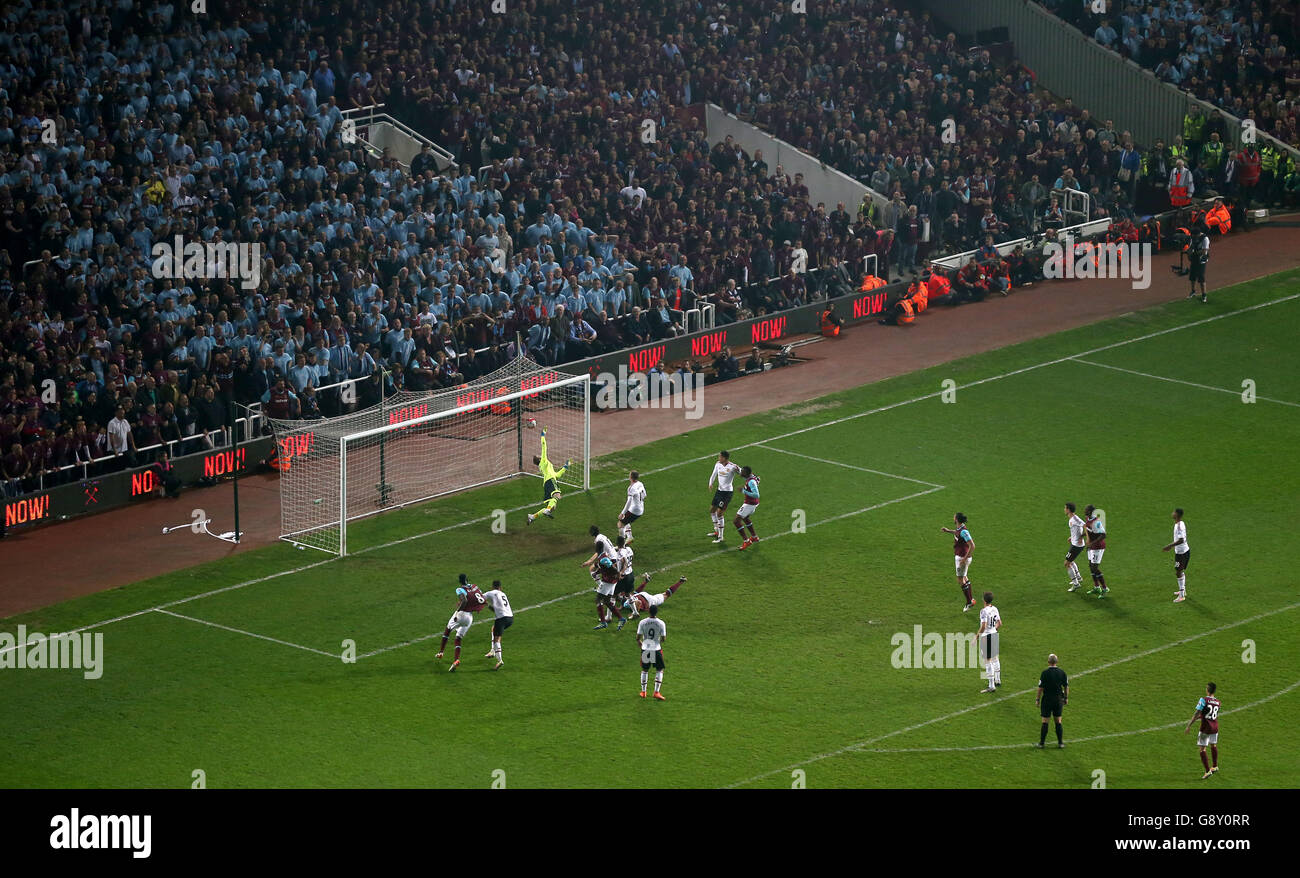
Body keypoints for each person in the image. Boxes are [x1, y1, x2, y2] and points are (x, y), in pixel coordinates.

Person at [435, 574, 486, 671]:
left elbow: (465, 600)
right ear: (467, 579)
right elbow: (479, 598)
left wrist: (458, 612)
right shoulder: (475, 586)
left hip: (462, 614)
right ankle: (456, 660)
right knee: (458, 638)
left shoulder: (459, 589)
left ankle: (441, 652)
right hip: (469, 618)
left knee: (448, 630)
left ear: (459, 581)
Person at [525, 427, 570, 524]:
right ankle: (547, 510)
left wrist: (565, 467)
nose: (540, 455)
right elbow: (544, 446)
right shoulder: (544, 461)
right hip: (550, 481)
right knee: (557, 495)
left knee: (553, 507)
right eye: (539, 455)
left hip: (547, 483)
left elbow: (556, 475)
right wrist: (543, 435)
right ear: (539, 458)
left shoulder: (544, 467)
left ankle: (532, 516)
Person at [1184, 682, 1221, 779]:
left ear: (1208, 690)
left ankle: (1207, 771)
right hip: (1215, 727)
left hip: (1206, 728)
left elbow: (1197, 713)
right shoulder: (1218, 702)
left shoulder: (1203, 699)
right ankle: (1215, 766)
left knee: (1202, 749)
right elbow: (1210, 713)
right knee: (1213, 745)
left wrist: (1189, 725)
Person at [941, 513, 976, 611]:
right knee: (964, 577)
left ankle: (969, 602)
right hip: (962, 558)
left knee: (960, 580)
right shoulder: (959, 529)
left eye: (954, 516)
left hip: (962, 558)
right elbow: (957, 533)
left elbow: (972, 545)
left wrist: (964, 559)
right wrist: (948, 531)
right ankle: (971, 600)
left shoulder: (964, 531)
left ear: (956, 519)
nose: (953, 517)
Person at [707, 450, 742, 544]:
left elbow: (743, 473)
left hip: (727, 493)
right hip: (719, 491)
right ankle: (716, 531)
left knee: (719, 513)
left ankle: (721, 537)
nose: (718, 458)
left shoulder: (733, 467)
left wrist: (752, 479)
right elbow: (714, 474)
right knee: (712, 510)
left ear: (724, 458)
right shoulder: (718, 464)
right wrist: (710, 483)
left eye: (720, 456)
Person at [1036, 654, 1069, 749]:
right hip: (1058, 700)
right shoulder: (1062, 672)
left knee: (1045, 721)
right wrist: (1066, 698)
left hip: (1047, 699)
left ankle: (1042, 743)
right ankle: (1060, 743)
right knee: (1058, 721)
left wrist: (1037, 699)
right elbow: (1066, 687)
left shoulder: (1044, 673)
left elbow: (1040, 688)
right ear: (1057, 662)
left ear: (1048, 662)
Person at [636, 604, 668, 701]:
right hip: (656, 649)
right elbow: (663, 638)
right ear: (656, 612)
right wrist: (658, 641)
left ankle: (643, 692)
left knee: (645, 670)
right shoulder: (661, 623)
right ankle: (656, 692)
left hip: (646, 648)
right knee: (659, 669)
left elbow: (638, 637)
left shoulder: (643, 622)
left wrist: (640, 642)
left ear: (648, 611)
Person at [481, 580, 513, 670]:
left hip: (501, 619)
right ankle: (492, 651)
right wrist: (488, 606)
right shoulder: (503, 594)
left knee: (496, 640)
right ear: (500, 587)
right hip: (510, 618)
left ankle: (499, 660)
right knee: (494, 629)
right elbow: (496, 609)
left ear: (492, 587)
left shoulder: (490, 593)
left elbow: (479, 597)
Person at [590, 556, 627, 631]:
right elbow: (600, 568)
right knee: (607, 601)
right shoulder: (610, 567)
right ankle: (621, 618)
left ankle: (603, 622)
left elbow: (601, 569)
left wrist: (595, 572)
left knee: (598, 600)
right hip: (613, 584)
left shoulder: (608, 569)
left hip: (607, 584)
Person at [1162, 508, 1191, 602]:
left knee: (1178, 572)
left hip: (1181, 553)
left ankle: (1182, 595)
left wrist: (1169, 546)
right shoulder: (1180, 523)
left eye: (1174, 512)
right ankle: (1183, 591)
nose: (1172, 513)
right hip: (1184, 551)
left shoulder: (1179, 526)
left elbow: (1181, 540)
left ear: (1177, 514)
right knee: (1180, 571)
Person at [977, 591, 1002, 693]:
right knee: (995, 658)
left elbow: (983, 626)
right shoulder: (995, 609)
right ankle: (998, 680)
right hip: (994, 634)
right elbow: (1000, 623)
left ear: (983, 600)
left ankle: (991, 686)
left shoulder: (983, 611)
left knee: (988, 661)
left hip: (986, 637)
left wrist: (977, 636)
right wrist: (993, 629)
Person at [734, 465, 761, 549]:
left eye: (742, 471)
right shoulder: (751, 477)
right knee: (745, 518)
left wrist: (743, 491)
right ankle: (754, 537)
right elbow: (758, 478)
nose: (740, 472)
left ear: (746, 473)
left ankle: (746, 541)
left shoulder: (751, 482)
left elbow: (757, 494)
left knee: (736, 521)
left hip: (750, 504)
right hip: (753, 503)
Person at [1084, 505, 1108, 597]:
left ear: (1090, 512)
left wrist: (1092, 543)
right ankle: (1097, 587)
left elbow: (1103, 535)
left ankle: (1105, 588)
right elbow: (1089, 531)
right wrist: (1080, 536)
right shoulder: (1088, 519)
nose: (1084, 511)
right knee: (1091, 566)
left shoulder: (1096, 522)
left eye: (1086, 510)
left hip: (1098, 547)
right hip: (1092, 547)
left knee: (1094, 567)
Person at [1064, 502, 1087, 591]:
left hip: (1076, 545)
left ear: (1068, 510)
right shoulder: (1072, 519)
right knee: (1071, 561)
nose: (1064, 510)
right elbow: (1078, 529)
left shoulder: (1074, 519)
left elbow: (1085, 525)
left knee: (1067, 563)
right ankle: (1079, 577)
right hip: (1076, 543)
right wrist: (1072, 537)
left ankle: (1076, 584)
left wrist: (1081, 536)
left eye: (1065, 508)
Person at [618, 470, 645, 543]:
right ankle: (629, 537)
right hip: (641, 508)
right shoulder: (640, 484)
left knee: (620, 524)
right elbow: (645, 495)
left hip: (635, 510)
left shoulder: (631, 488)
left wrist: (622, 513)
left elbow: (629, 502)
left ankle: (621, 544)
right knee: (626, 520)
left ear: (630, 477)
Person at [1186, 223, 1210, 303]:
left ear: (1198, 234)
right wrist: (1189, 253)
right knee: (1192, 276)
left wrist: (1193, 253)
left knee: (1201, 277)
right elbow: (1190, 246)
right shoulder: (1193, 237)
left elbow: (1204, 251)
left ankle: (1204, 295)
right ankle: (1193, 291)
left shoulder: (1205, 239)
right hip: (1195, 258)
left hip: (1201, 259)